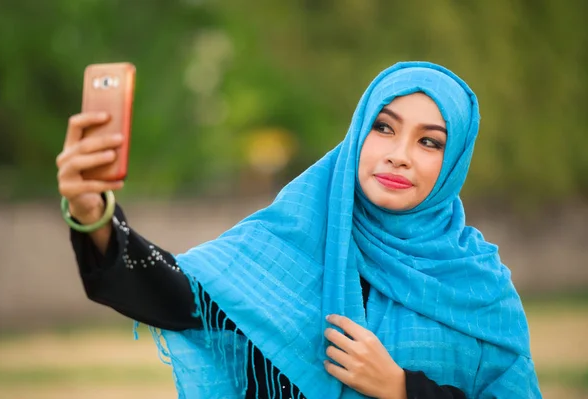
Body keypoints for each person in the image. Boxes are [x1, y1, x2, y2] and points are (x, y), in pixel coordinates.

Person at [57, 61, 542, 398]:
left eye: (430, 142)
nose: (400, 153)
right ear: (357, 136)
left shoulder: (481, 287)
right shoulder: (289, 244)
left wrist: (401, 388)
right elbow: (177, 294)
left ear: (453, 161)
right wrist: (91, 209)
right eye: (384, 127)